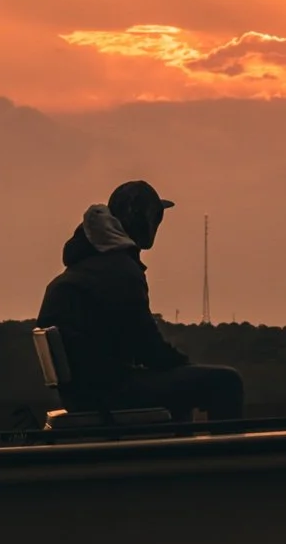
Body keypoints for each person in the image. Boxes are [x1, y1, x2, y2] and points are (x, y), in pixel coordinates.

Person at [37, 180, 245, 422]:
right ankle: (224, 446)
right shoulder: (119, 270)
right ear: (143, 220)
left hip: (84, 394)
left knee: (179, 382)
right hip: (109, 394)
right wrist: (184, 365)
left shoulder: (86, 267)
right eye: (156, 218)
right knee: (227, 382)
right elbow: (148, 347)